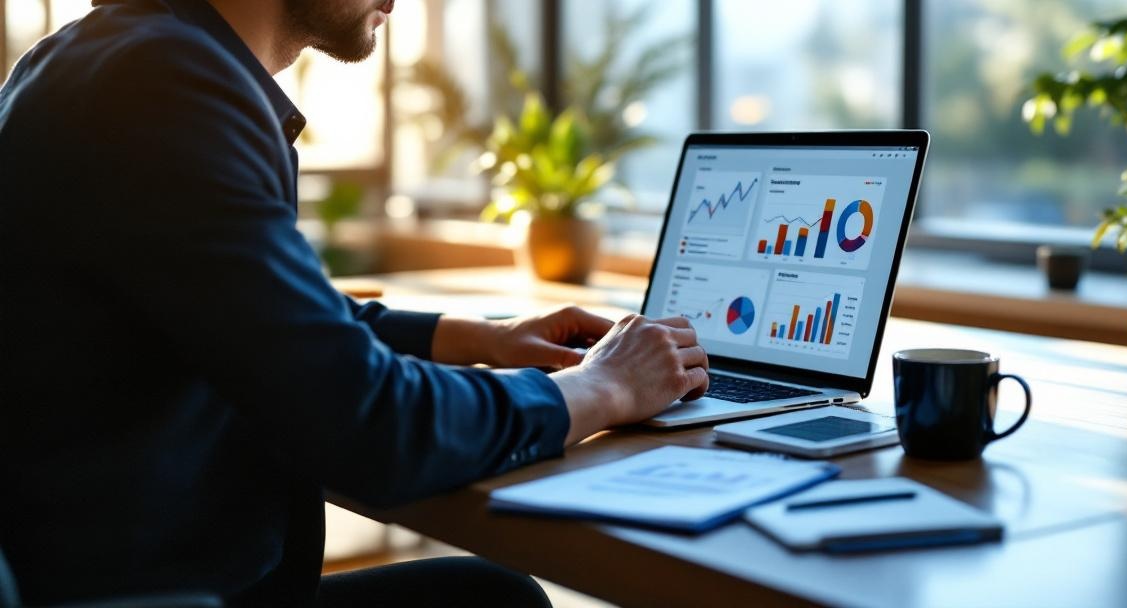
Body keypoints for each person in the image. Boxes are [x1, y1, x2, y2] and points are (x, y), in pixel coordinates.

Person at [0, 0, 710, 605]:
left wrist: (482, 338)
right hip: (161, 586)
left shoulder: (95, 58)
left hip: (93, 569)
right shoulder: (166, 89)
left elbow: (266, 319)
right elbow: (371, 425)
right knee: (495, 600)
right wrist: (601, 387)